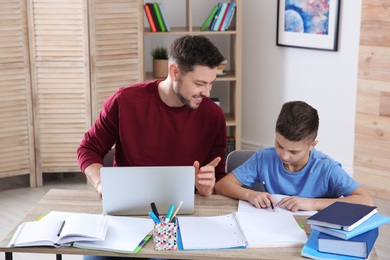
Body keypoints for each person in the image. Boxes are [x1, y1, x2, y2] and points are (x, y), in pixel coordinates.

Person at [78, 35, 227, 260]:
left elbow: (217, 176)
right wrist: (101, 183)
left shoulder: (213, 116)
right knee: (92, 258)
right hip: (126, 215)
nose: (206, 92)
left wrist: (208, 187)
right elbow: (88, 149)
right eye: (199, 83)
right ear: (174, 72)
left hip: (180, 217)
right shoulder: (125, 101)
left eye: (211, 83)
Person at [215, 101, 375, 212]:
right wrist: (250, 194)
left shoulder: (326, 168)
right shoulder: (264, 158)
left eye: (294, 152)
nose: (284, 155)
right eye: (279, 145)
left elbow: (366, 201)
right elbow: (222, 186)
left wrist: (313, 203)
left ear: (312, 145)